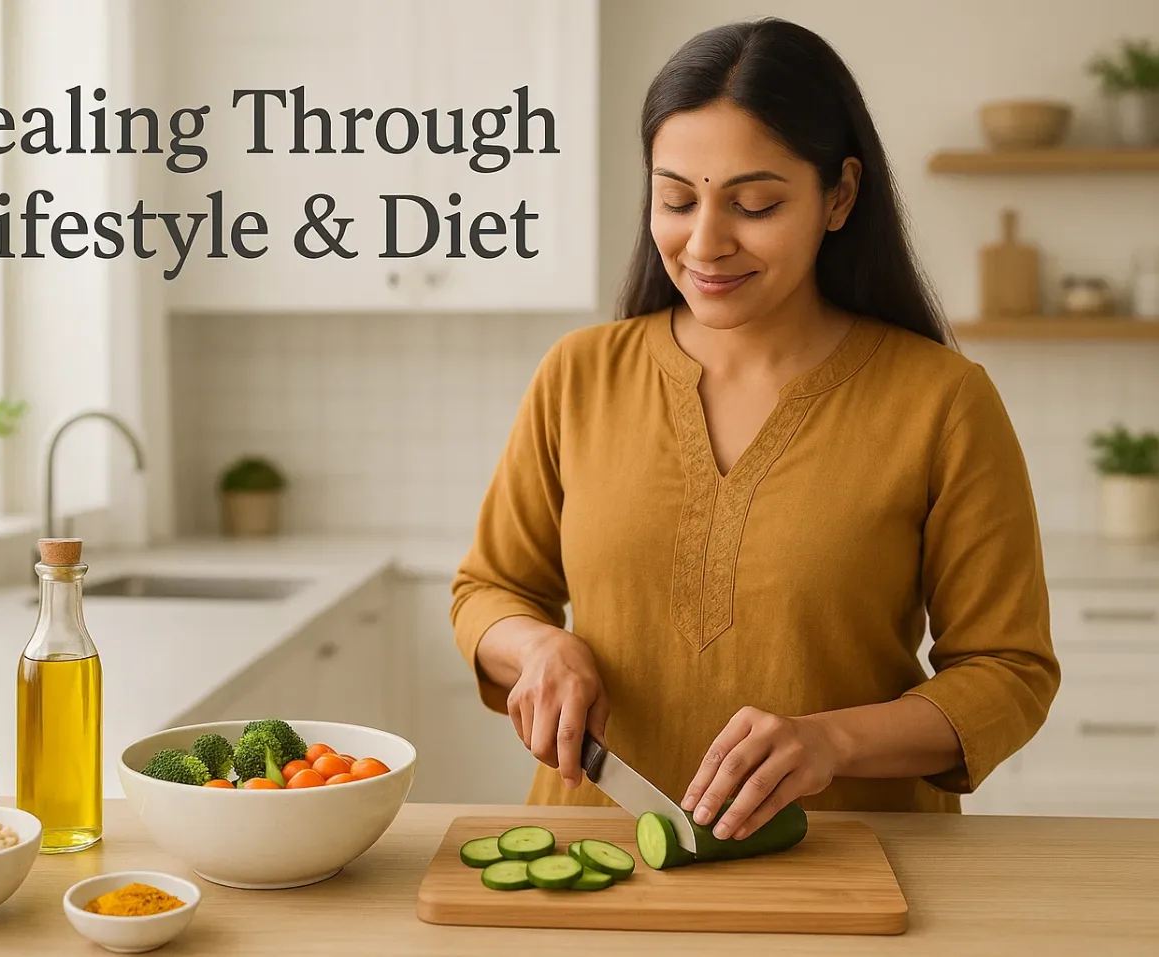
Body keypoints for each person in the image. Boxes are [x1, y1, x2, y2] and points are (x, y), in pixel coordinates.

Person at [450, 17, 1060, 841]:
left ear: (839, 195)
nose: (705, 242)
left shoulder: (942, 400)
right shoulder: (579, 373)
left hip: (850, 860)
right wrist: (538, 650)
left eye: (756, 203)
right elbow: (489, 591)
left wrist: (831, 739)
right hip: (596, 852)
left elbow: (1009, 672)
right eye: (676, 198)